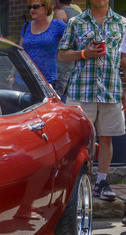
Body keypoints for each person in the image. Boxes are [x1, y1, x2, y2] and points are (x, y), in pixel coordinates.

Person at [58, 0, 126, 201]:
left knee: (106, 138)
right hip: (81, 90)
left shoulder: (122, 23)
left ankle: (101, 182)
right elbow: (62, 55)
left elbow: (124, 59)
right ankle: (78, 182)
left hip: (110, 89)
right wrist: (83, 53)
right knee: (79, 140)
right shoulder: (76, 22)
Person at [19, 0, 66, 88]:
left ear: (46, 7)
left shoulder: (58, 25)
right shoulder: (26, 26)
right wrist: (12, 76)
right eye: (30, 7)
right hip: (23, 80)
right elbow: (20, 52)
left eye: (35, 6)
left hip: (47, 80)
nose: (32, 10)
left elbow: (74, 37)